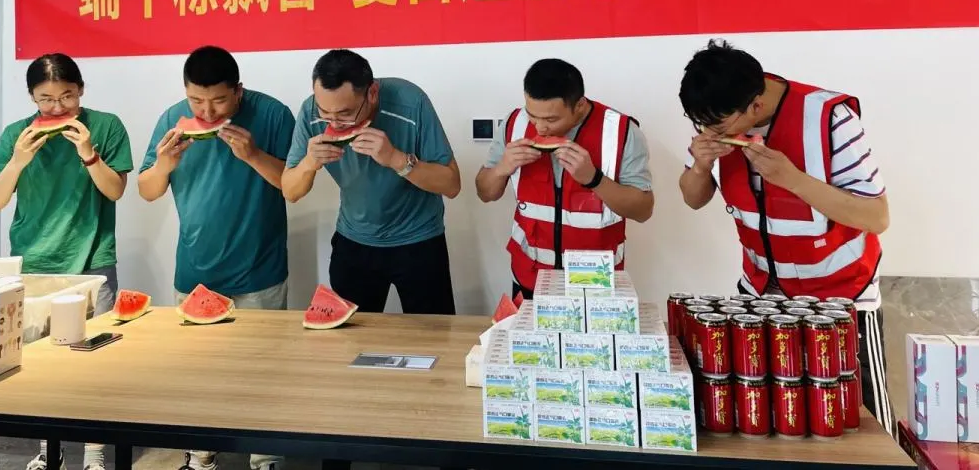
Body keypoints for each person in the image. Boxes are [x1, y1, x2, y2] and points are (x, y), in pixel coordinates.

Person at [677, 38, 893, 435]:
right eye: (702, 125)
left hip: (842, 301)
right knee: (768, 421)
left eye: (720, 128)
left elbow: (876, 216)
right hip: (760, 297)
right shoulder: (717, 114)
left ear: (755, 106)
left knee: (865, 427)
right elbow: (693, 198)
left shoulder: (831, 119)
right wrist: (701, 167)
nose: (711, 133)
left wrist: (791, 179)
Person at [137, 46, 293, 470]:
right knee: (197, 373)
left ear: (238, 91)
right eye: (196, 101)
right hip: (196, 270)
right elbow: (147, 191)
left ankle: (265, 458)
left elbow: (293, 185)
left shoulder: (274, 115)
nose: (206, 112)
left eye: (219, 101)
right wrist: (163, 165)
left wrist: (253, 155)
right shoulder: (172, 120)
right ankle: (200, 454)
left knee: (264, 371)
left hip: (260, 269)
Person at [0, 53, 132, 470]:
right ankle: (50, 451)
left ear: (80, 89)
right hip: (34, 263)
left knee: (96, 364)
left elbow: (115, 191)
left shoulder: (106, 126)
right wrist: (18, 161)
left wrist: (88, 154)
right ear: (32, 97)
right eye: (45, 99)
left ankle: (95, 455)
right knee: (41, 367)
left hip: (93, 261)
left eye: (67, 96)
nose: (57, 107)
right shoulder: (16, 135)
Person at [282, 49, 460, 314]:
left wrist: (396, 159)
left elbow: (452, 184)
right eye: (325, 112)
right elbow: (290, 191)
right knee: (351, 333)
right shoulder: (310, 112)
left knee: (433, 332)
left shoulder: (411, 102)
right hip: (353, 242)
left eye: (345, 113)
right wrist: (309, 163)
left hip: (419, 240)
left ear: (372, 93)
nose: (334, 124)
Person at [475, 59, 654, 298]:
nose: (540, 128)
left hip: (595, 283)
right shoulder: (514, 124)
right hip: (530, 277)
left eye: (551, 120)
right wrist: (502, 168)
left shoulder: (621, 131)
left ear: (579, 105)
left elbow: (643, 210)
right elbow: (485, 193)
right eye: (532, 115)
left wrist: (594, 179)